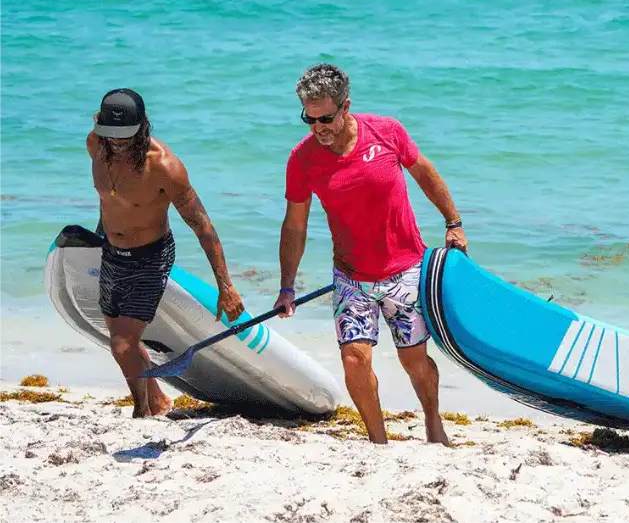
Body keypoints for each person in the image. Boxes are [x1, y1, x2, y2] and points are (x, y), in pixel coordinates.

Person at [274, 64, 468, 445]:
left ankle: (433, 423)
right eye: (309, 120)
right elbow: (295, 225)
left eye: (325, 119)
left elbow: (425, 173)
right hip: (351, 277)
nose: (318, 128)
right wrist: (286, 286)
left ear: (345, 106)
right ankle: (378, 442)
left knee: (414, 361)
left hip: (406, 270)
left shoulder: (387, 132)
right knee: (354, 360)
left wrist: (453, 222)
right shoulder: (302, 159)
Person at [88, 88, 245, 418]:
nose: (117, 141)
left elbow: (202, 225)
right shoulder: (95, 145)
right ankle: (158, 401)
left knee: (122, 344)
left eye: (125, 135)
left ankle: (141, 410)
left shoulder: (164, 167)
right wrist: (99, 236)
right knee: (123, 341)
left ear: (143, 126)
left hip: (151, 256)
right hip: (112, 253)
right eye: (111, 133)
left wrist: (226, 286)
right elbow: (109, 200)